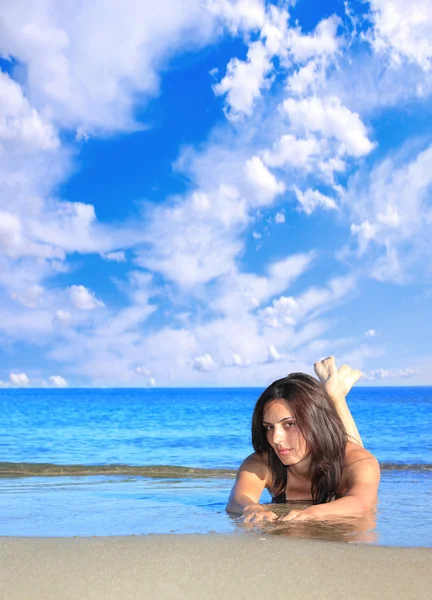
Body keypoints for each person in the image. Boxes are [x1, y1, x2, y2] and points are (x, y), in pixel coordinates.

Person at [226, 356, 380, 523]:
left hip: (337, 454)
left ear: (314, 421)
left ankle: (335, 396)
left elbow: (363, 503)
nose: (276, 439)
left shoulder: (359, 461)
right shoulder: (263, 462)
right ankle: (332, 394)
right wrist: (251, 508)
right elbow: (237, 498)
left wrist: (312, 513)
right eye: (269, 427)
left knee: (348, 446)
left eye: (289, 424)